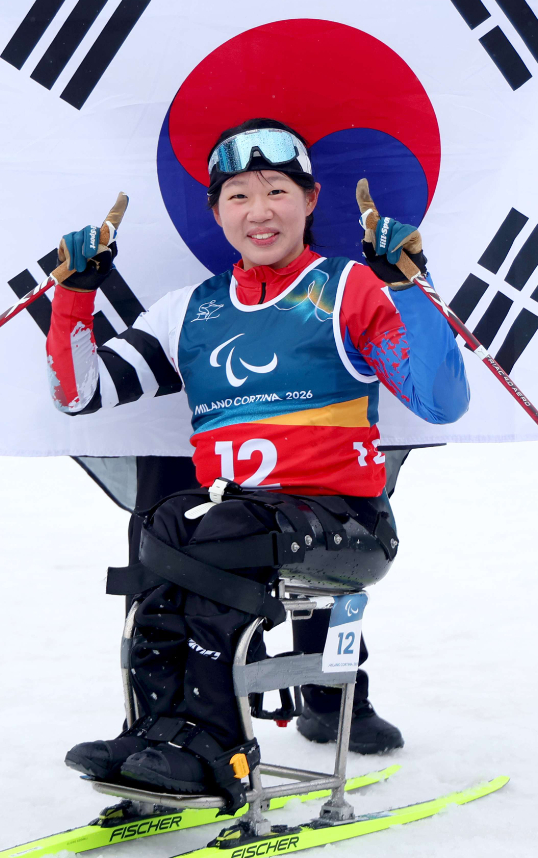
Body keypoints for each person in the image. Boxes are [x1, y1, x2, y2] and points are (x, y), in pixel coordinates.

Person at [45, 118, 469, 809]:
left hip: (344, 523)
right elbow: (78, 393)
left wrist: (403, 288)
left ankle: (214, 747)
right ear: (216, 213)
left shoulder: (349, 290)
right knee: (164, 525)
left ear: (309, 200)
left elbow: (440, 398)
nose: (259, 211)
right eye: (238, 196)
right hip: (239, 518)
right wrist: (76, 294)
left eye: (277, 190)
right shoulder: (193, 311)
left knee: (217, 530)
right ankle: (152, 732)